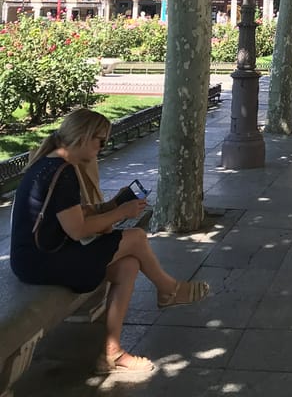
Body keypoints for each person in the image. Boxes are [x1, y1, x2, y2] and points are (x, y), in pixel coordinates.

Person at [10, 108, 210, 378]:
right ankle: (169, 289)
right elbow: (77, 230)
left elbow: (68, 216)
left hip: (38, 258)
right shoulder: (62, 172)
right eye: (100, 141)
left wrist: (111, 205)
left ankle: (112, 352)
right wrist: (121, 213)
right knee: (136, 237)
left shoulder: (51, 164)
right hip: (41, 262)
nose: (102, 147)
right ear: (84, 136)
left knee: (128, 265)